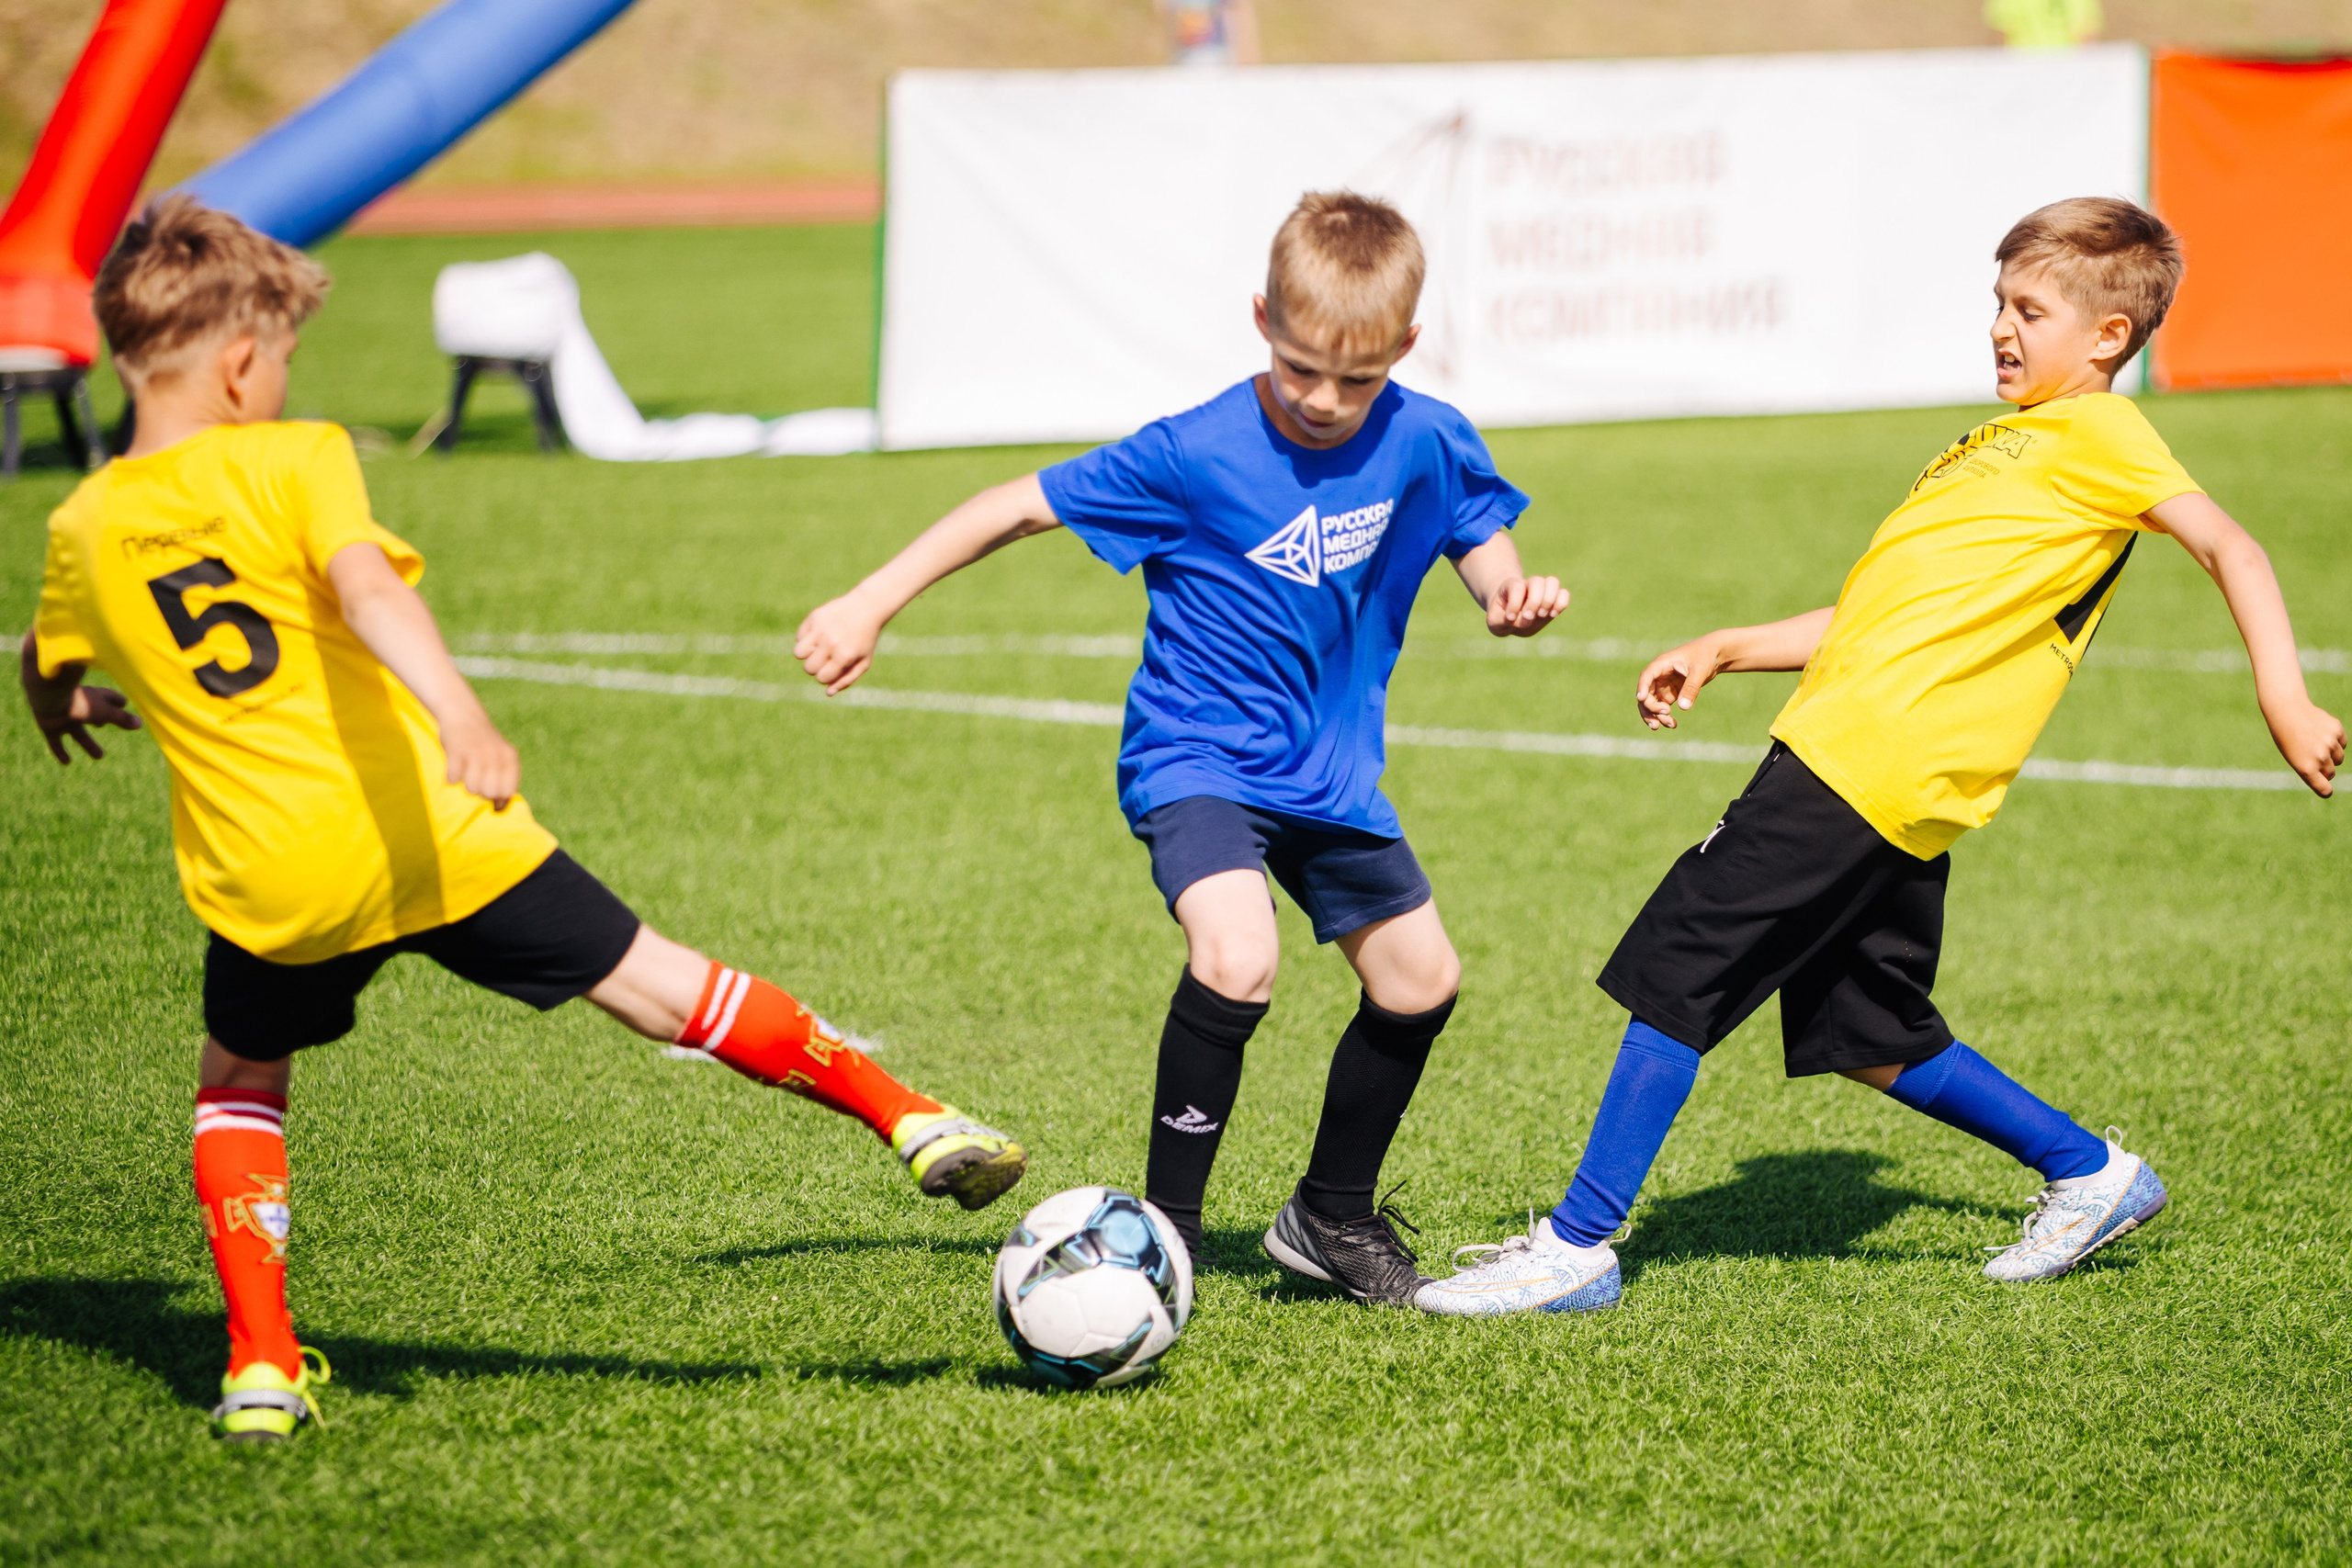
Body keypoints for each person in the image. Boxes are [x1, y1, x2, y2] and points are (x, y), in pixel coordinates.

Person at [21, 197, 1027, 1442]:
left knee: (240, 1086)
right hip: (433, 829)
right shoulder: (294, 457)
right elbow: (365, 581)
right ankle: (913, 1116)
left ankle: (262, 1365)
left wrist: (64, 700)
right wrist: (455, 705)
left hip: (271, 878)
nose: (286, 380)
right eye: (282, 358)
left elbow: (48, 653)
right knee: (666, 987)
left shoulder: (82, 526)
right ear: (239, 365)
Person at [1418, 196, 2345, 1317]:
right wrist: (1728, 646)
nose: (2001, 327)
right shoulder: (1995, 445)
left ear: (2107, 337)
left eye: (2030, 310)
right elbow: (1873, 613)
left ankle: (1577, 1247)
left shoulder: (2101, 434)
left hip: (1861, 764)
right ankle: (2089, 1173)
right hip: (1883, 769)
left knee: (1682, 967)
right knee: (1868, 1031)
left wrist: (2281, 692)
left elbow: (2228, 545)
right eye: (1997, 303)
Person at [797, 191, 1566, 1305]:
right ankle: (1169, 1234)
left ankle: (1330, 1218)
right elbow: (1015, 506)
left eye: (1355, 380)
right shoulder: (1195, 450)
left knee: (1419, 981)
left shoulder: (1427, 435)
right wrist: (870, 600)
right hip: (1196, 754)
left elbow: (1477, 535)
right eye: (1301, 368)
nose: (1322, 400)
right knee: (1235, 956)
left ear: (1404, 347)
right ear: (1261, 318)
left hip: (1331, 774)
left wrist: (1508, 594)